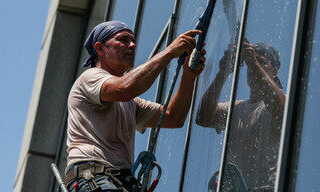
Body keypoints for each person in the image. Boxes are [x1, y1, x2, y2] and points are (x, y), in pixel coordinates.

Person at [65, 21, 206, 192]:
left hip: (115, 183)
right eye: (123, 40)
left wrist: (188, 75)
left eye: (132, 41)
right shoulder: (90, 79)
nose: (132, 45)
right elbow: (125, 88)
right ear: (100, 48)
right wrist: (169, 52)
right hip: (94, 179)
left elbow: (173, 117)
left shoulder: (130, 102)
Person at [196, 38, 285, 191]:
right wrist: (223, 72)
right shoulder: (236, 108)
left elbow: (282, 109)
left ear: (275, 70)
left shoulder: (277, 103)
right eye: (250, 62)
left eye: (261, 61)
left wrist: (253, 63)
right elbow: (203, 118)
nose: (251, 67)